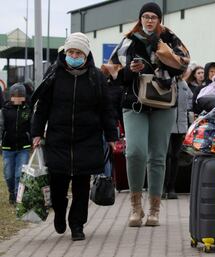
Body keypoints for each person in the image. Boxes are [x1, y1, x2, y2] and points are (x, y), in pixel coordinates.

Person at [108, 2, 190, 227]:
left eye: (154, 17)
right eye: (145, 16)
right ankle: (136, 206)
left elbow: (183, 65)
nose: (149, 20)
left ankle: (154, 208)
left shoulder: (170, 39)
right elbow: (112, 73)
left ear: (160, 19)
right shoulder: (129, 40)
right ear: (140, 19)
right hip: (134, 103)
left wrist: (161, 51)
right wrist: (128, 71)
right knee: (134, 152)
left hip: (163, 103)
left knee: (158, 156)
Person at [31, 32, 117, 241]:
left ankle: (77, 224)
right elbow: (42, 106)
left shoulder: (96, 77)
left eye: (78, 52)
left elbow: (106, 109)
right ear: (65, 52)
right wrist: (36, 132)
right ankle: (60, 213)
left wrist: (112, 135)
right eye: (71, 51)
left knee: (81, 185)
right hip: (58, 138)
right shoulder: (54, 74)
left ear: (86, 55)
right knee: (58, 185)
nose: (74, 55)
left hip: (87, 139)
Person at [0, 83, 31, 205]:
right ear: (11, 96)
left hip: (23, 148)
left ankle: (18, 197)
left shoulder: (27, 110)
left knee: (19, 174)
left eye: (20, 96)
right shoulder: (4, 111)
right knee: (9, 175)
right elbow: (1, 127)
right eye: (15, 96)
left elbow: (32, 126)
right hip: (8, 148)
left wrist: (34, 138)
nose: (17, 98)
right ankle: (11, 193)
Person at [163, 77, 193, 199]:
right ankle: (162, 186)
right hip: (165, 125)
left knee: (175, 156)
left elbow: (190, 99)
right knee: (165, 155)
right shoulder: (166, 80)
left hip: (180, 126)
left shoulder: (184, 83)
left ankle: (171, 187)